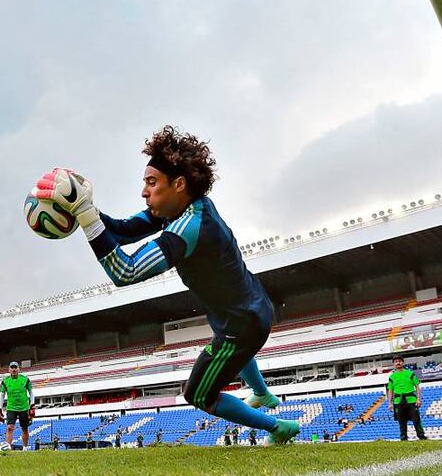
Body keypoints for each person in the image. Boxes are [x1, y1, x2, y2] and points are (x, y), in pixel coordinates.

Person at [33, 126, 299, 444]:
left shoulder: (190, 227)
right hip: (249, 307)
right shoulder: (185, 207)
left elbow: (125, 272)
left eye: (151, 182)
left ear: (179, 184)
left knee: (199, 394)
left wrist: (86, 215)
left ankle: (279, 428)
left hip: (242, 325)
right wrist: (84, 208)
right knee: (232, 348)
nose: (144, 192)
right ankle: (262, 393)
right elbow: (123, 231)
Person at [387, 356, 428, 441]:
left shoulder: (410, 373)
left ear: (403, 363)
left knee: (416, 419)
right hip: (398, 401)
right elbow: (390, 390)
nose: (398, 363)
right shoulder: (392, 377)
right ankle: (403, 438)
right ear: (394, 364)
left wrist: (418, 399)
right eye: (396, 361)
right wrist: (390, 403)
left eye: (399, 361)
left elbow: (417, 386)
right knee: (401, 421)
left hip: (411, 400)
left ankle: (421, 437)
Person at [0, 361, 34, 450]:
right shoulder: (5, 381)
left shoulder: (25, 379)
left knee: (24, 428)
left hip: (24, 408)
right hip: (11, 408)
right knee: (10, 427)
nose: (14, 369)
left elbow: (31, 393)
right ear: (9, 369)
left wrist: (32, 405)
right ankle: (7, 448)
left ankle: (25, 448)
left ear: (18, 369)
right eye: (12, 368)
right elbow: (2, 395)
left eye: (15, 367)